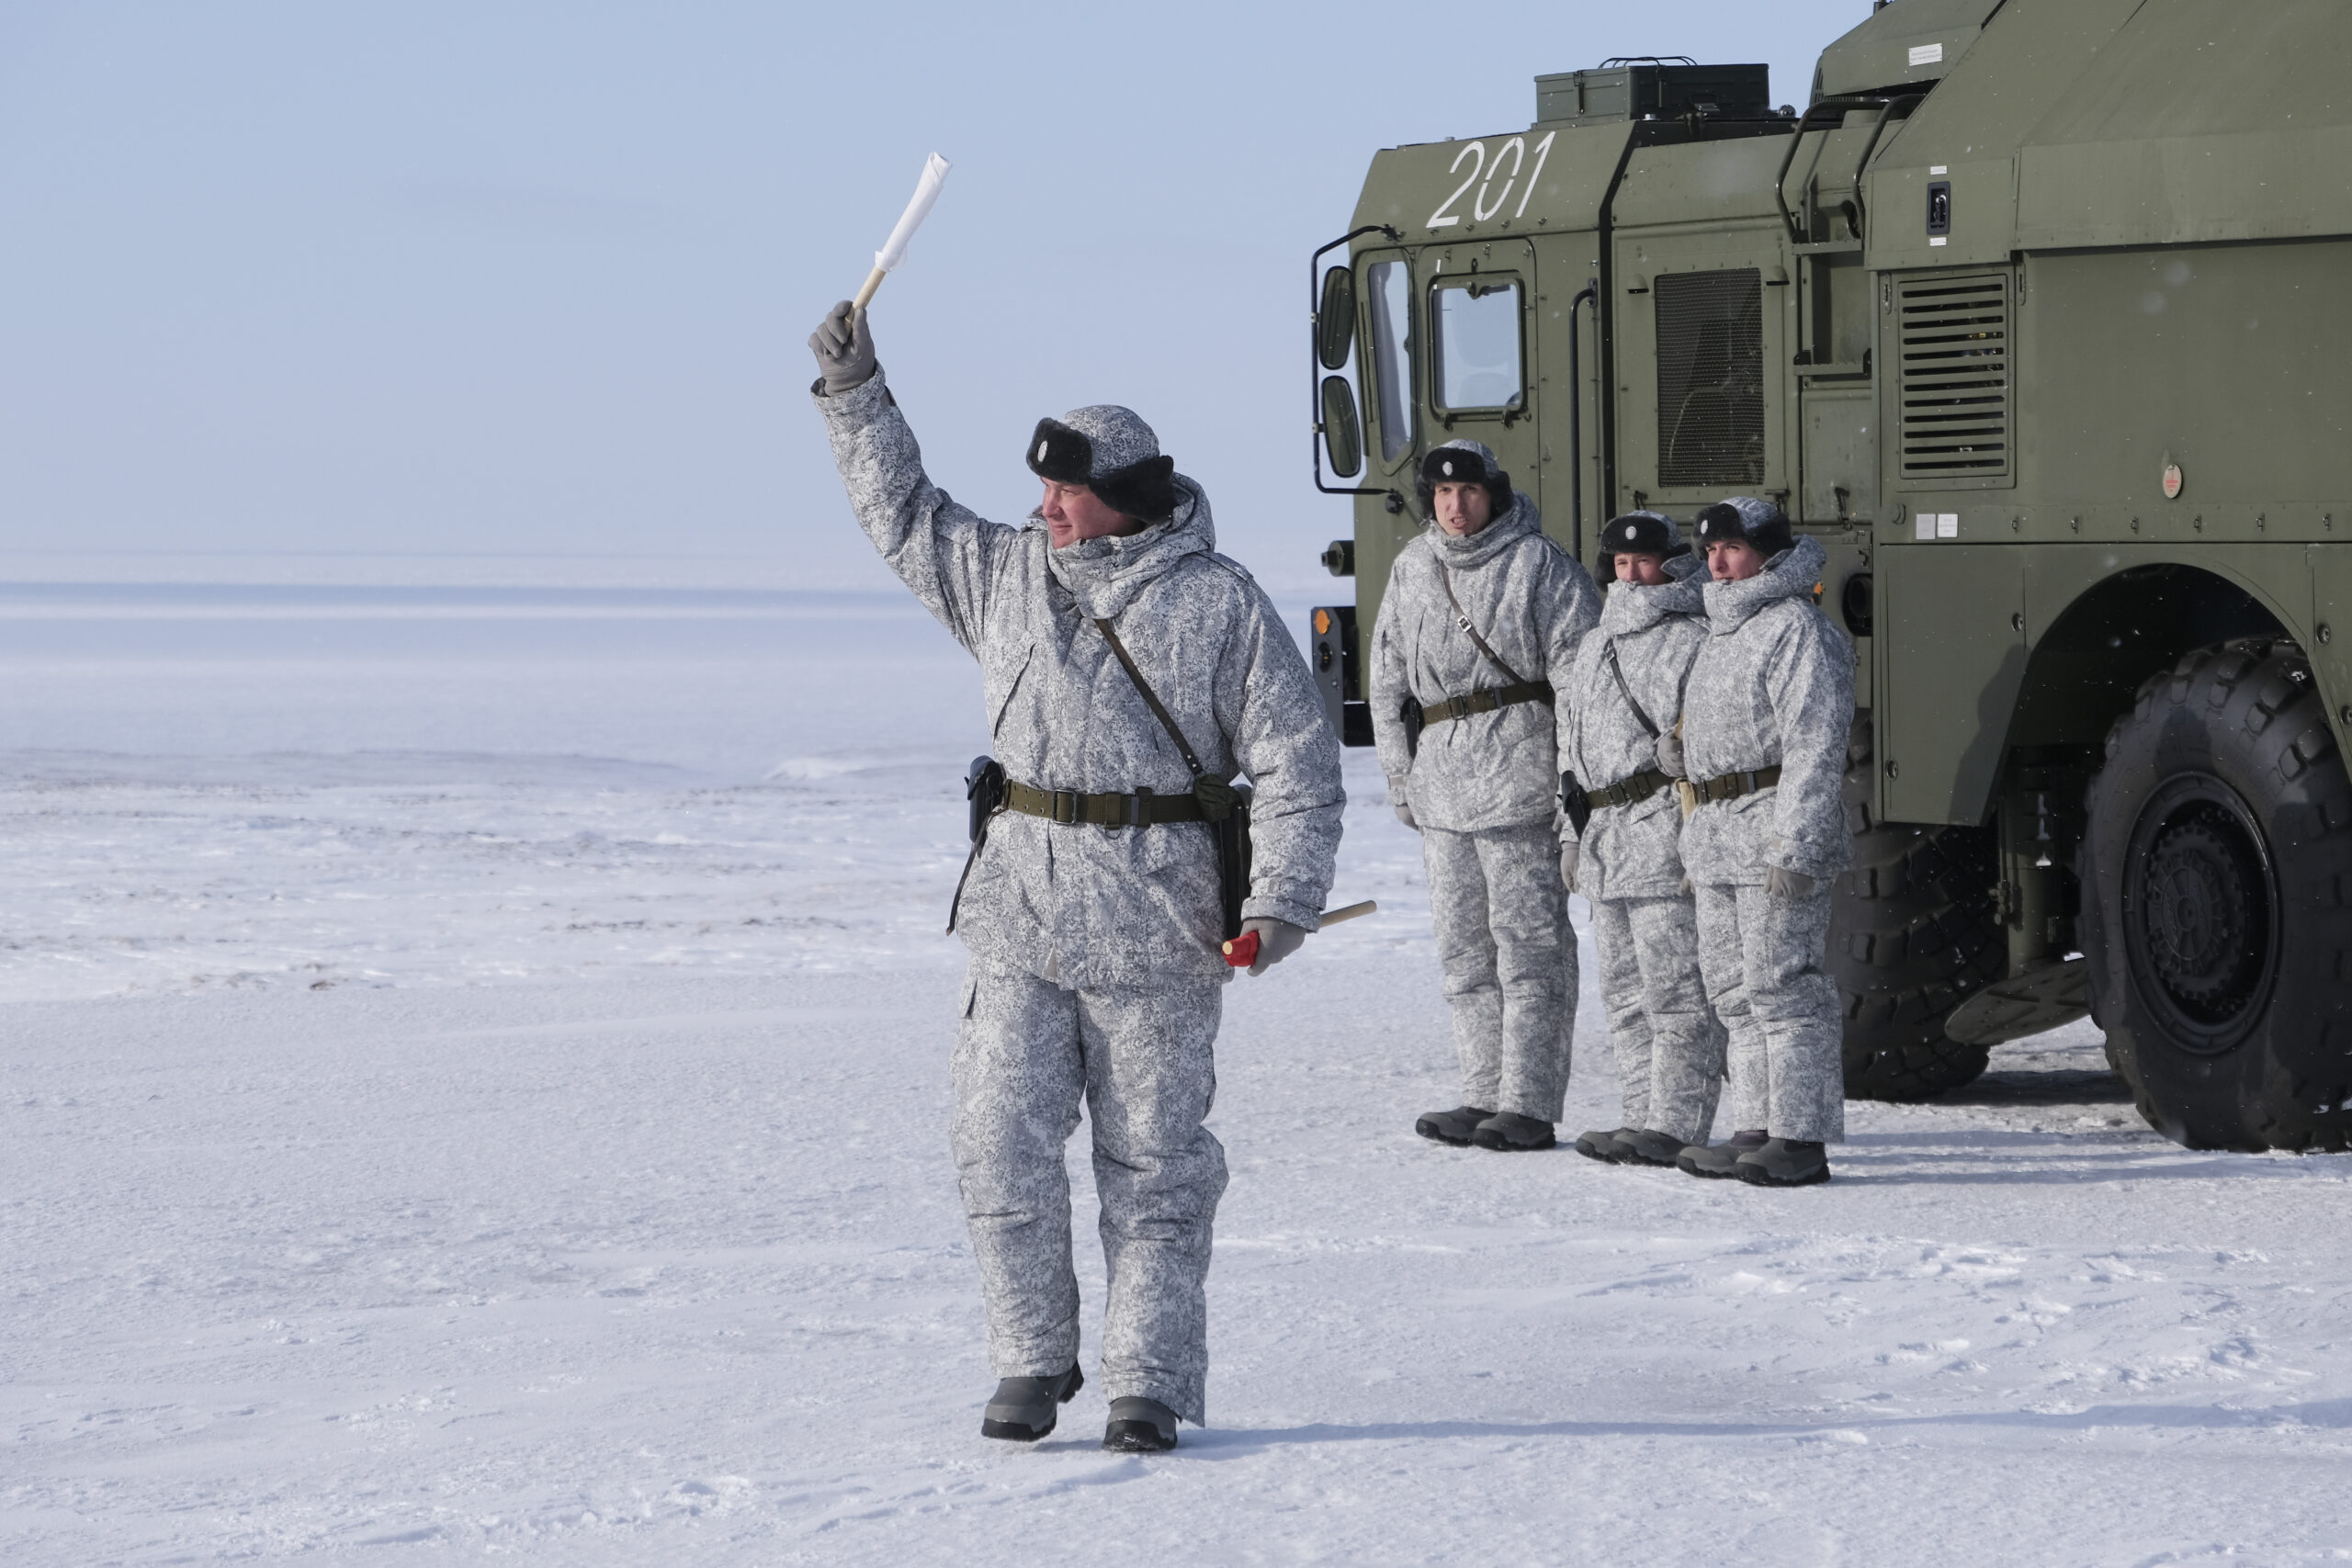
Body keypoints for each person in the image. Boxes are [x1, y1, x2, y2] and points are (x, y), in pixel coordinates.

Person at [807, 301, 1345, 1450]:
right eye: (1042, 490)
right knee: (994, 1139)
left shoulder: (1219, 602)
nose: (1045, 508)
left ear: (1127, 495)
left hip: (1158, 929)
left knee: (1153, 1168)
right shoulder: (1006, 575)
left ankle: (1144, 1383)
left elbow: (1297, 765)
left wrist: (1280, 905)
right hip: (1019, 920)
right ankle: (1029, 1360)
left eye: (1066, 491)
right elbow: (902, 514)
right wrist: (858, 397)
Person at [1369, 441, 1600, 1152]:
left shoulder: (1538, 565)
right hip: (1443, 786)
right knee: (1464, 951)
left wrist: (1574, 789)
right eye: (1441, 494)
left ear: (1492, 495)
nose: (1454, 505)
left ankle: (1527, 1103)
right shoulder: (1413, 567)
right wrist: (1400, 775)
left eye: (1467, 491)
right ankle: (1482, 1092)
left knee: (1529, 949)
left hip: (1520, 779)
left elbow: (1583, 686)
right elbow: (1385, 679)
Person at [1666, 497, 1854, 1187]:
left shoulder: (1795, 629)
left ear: (1768, 552)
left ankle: (1799, 1138)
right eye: (1710, 549)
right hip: (1716, 837)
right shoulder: (1721, 631)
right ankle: (1756, 1128)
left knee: (1784, 988)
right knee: (1734, 992)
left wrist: (1796, 844)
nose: (1717, 561)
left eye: (1733, 548)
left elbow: (1814, 742)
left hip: (1772, 831)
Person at [1557, 512, 1724, 1168]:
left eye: (1644, 562)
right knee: (1624, 993)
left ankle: (1678, 1121)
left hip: (1660, 829)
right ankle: (1639, 1114)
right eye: (1621, 564)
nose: (1632, 574)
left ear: (1671, 564)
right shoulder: (1593, 644)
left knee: (1676, 991)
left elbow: (1714, 732)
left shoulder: (1692, 637)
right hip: (1602, 835)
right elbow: (1568, 746)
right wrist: (1568, 832)